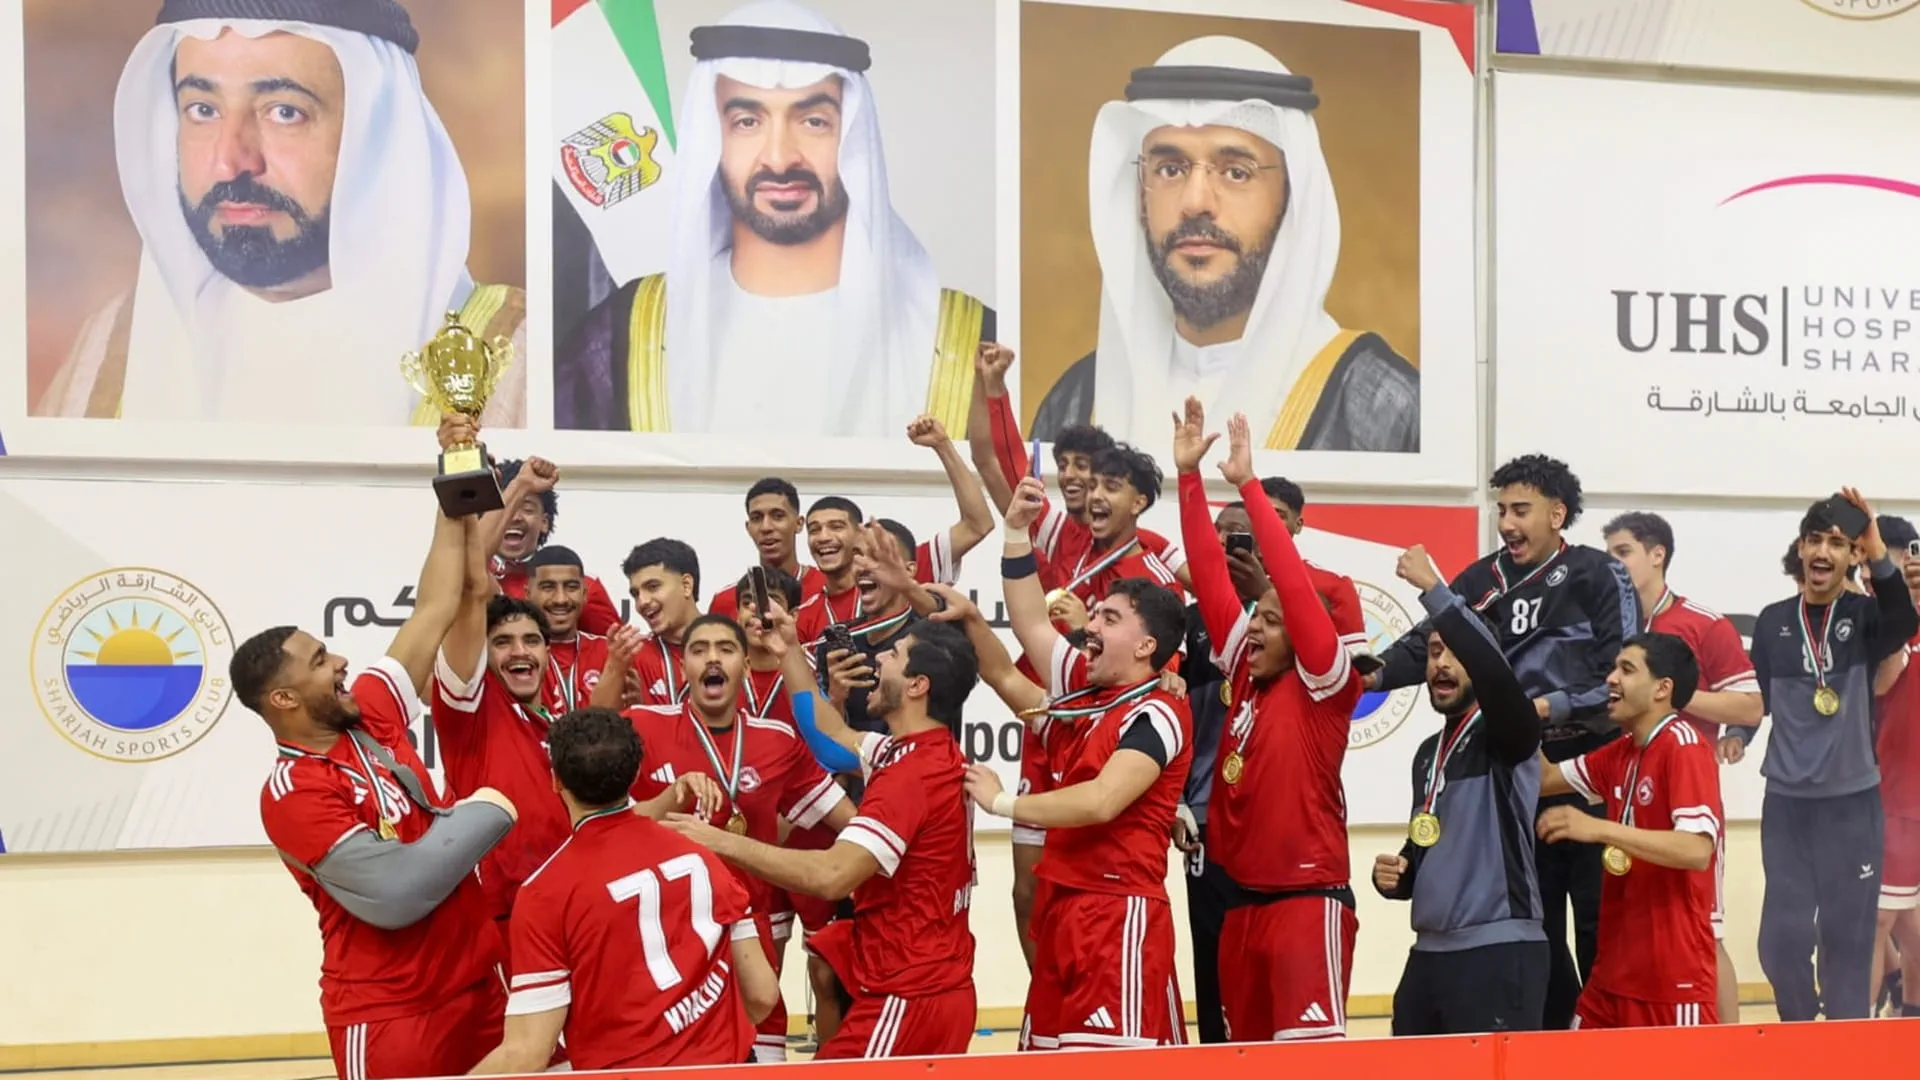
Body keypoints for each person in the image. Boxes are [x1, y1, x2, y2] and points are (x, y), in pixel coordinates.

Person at [40, 0, 526, 425]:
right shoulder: (110, 352)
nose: (231, 161)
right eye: (203, 110)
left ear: (378, 134)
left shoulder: (517, 359)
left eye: (284, 112)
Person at [552, 0, 992, 436]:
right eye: (747, 122)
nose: (780, 158)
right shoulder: (618, 341)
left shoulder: (970, 344)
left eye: (814, 121)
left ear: (854, 138)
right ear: (713, 139)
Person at [235, 486, 517, 1080]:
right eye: (319, 661)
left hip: (480, 986)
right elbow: (398, 892)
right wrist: (485, 812)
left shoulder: (370, 713)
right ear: (283, 699)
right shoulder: (294, 793)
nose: (340, 661)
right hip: (393, 1013)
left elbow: (434, 607)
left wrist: (454, 489)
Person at [1027, 37, 1416, 451]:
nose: (1195, 202)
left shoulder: (1387, 410)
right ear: (1140, 196)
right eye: (1170, 169)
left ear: (1293, 199)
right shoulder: (1075, 403)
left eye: (1236, 173)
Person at [1371, 453, 1637, 1030]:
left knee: (1600, 927)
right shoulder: (1478, 580)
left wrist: (1545, 707)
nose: (1507, 523)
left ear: (1557, 514)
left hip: (1587, 776)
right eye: (1501, 511)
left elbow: (1622, 677)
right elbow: (1424, 645)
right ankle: (1549, 1046)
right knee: (1537, 929)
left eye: (1521, 510)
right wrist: (1366, 674)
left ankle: (1605, 1049)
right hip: (1513, 779)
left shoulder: (1597, 573)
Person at [668, 608, 981, 1058]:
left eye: (893, 655)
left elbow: (832, 876)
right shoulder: (918, 752)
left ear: (917, 685)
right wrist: (789, 650)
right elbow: (829, 734)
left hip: (908, 995)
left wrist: (717, 840)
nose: (879, 660)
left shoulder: (911, 776)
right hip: (924, 987)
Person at [967, 473, 1193, 1050]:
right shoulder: (1086, 699)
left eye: (1109, 619)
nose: (1089, 626)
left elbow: (1100, 801)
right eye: (1094, 616)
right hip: (1062, 906)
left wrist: (1001, 802)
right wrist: (1015, 531)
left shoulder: (1158, 709)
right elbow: (1029, 625)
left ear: (1146, 646)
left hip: (1117, 912)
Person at [1173, 400, 1360, 1041]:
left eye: (1272, 621)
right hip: (1240, 905)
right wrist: (1188, 478)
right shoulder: (1245, 675)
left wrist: (1249, 485)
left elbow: (1296, 592)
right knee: (1241, 1064)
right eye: (1256, 617)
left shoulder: (1325, 685)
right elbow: (1209, 577)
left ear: (1306, 636)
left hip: (1305, 904)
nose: (1254, 627)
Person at [471, 708, 780, 1074]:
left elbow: (526, 1053)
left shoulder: (544, 893)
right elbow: (762, 996)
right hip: (727, 1067)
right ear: (635, 775)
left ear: (555, 780)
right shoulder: (702, 855)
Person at [615, 613, 855, 1061]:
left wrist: (900, 844)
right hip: (669, 938)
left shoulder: (777, 740)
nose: (712, 658)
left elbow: (847, 820)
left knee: (762, 1057)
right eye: (699, 649)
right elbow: (607, 826)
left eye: (725, 649)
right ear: (684, 666)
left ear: (745, 665)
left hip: (750, 933)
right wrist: (669, 798)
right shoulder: (641, 726)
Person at [1744, 491, 1918, 1021]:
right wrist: (1737, 731)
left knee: (1848, 943)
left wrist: (1876, 545)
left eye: (1837, 544)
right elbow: (1759, 695)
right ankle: (1801, 1031)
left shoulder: (1866, 617)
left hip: (1851, 804)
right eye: (1814, 540)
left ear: (1852, 556)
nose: (1823, 551)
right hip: (1787, 803)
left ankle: (1843, 1045)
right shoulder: (1773, 621)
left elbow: (1903, 621)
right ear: (1800, 549)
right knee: (1780, 942)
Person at [1371, 544, 1546, 1035]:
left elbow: (1495, 674)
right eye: (1432, 652)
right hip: (1429, 954)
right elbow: (1428, 840)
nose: (1441, 664)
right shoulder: (1429, 752)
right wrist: (1402, 873)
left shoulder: (1510, 731)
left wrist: (1435, 589)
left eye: (1455, 651)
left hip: (1499, 950)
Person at [1602, 510, 1763, 1023]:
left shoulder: (1703, 622)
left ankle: (1730, 1050)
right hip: (1623, 791)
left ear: (1658, 555)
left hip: (1684, 797)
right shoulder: (1606, 624)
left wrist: (1671, 694)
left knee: (1704, 932)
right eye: (1609, 555)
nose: (1614, 565)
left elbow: (1750, 706)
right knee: (1625, 931)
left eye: (1623, 553)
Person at [1536, 633, 1723, 1029]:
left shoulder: (1684, 747)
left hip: (1671, 981)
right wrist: (1510, 703)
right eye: (1613, 668)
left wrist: (1599, 829)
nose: (1611, 679)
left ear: (1662, 688)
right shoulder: (1622, 751)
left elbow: (1696, 850)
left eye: (1627, 669)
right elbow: (1545, 778)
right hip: (1612, 975)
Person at [432, 480, 574, 934]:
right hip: (499, 918)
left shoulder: (561, 722)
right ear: (484, 657)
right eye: (503, 642)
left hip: (569, 910)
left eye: (531, 640)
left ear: (548, 652)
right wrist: (519, 488)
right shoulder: (472, 709)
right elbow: (469, 583)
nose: (519, 651)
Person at [709, 418, 992, 619]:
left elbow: (977, 525)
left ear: (860, 533)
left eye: (836, 527)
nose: (824, 537)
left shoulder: (889, 577)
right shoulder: (789, 608)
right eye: (816, 529)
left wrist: (943, 446)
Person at [968, 342, 1188, 589]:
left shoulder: (1148, 544)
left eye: (1082, 466)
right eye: (1062, 466)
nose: (1069, 475)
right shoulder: (1057, 533)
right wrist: (994, 385)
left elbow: (1208, 588)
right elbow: (1009, 461)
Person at [480, 453, 621, 637]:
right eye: (503, 508)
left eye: (527, 508)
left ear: (544, 522)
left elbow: (616, 648)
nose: (514, 517)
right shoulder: (466, 579)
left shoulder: (582, 585)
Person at [1871, 516, 1920, 1017]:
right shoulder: (1874, 620)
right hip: (1888, 793)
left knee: (1898, 918)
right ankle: (1869, 1025)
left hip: (1905, 795)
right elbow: (1880, 686)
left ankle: (1907, 1012)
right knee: (1883, 918)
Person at [604, 538, 704, 708]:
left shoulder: (732, 647)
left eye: (652, 587)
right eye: (635, 594)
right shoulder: (633, 656)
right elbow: (598, 717)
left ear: (686, 585)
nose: (642, 602)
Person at [521, 545, 608, 717]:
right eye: (548, 587)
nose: (560, 599)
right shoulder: (515, 656)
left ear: (584, 594)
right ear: (528, 594)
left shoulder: (611, 653)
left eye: (571, 587)